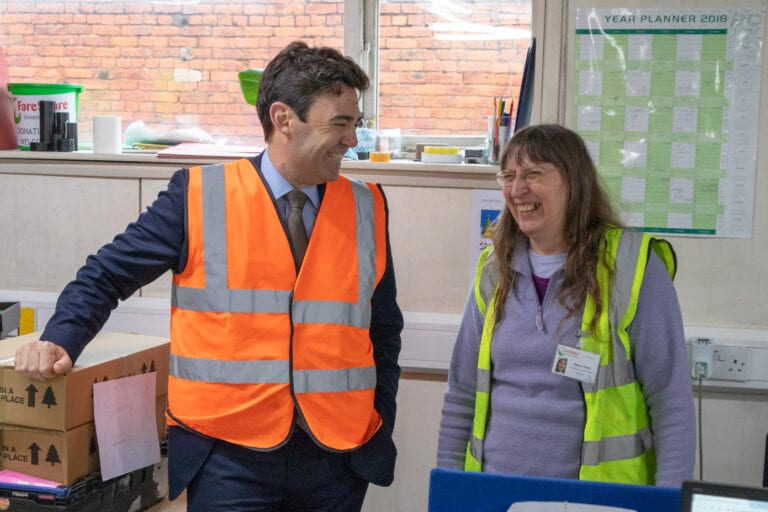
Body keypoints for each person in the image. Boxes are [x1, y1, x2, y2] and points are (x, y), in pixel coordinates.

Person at [14, 41, 404, 511]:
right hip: (228, 457)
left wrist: (381, 413)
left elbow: (384, 330)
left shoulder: (368, 207)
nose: (351, 140)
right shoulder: (198, 197)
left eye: (354, 124)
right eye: (339, 123)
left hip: (338, 459)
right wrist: (60, 339)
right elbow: (106, 274)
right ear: (283, 118)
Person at [437, 123, 695, 487]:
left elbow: (671, 401)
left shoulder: (631, 266)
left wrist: (672, 499)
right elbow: (462, 393)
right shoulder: (493, 270)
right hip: (496, 492)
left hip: (599, 498)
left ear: (574, 181)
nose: (517, 189)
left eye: (533, 174)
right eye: (508, 176)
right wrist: (450, 489)